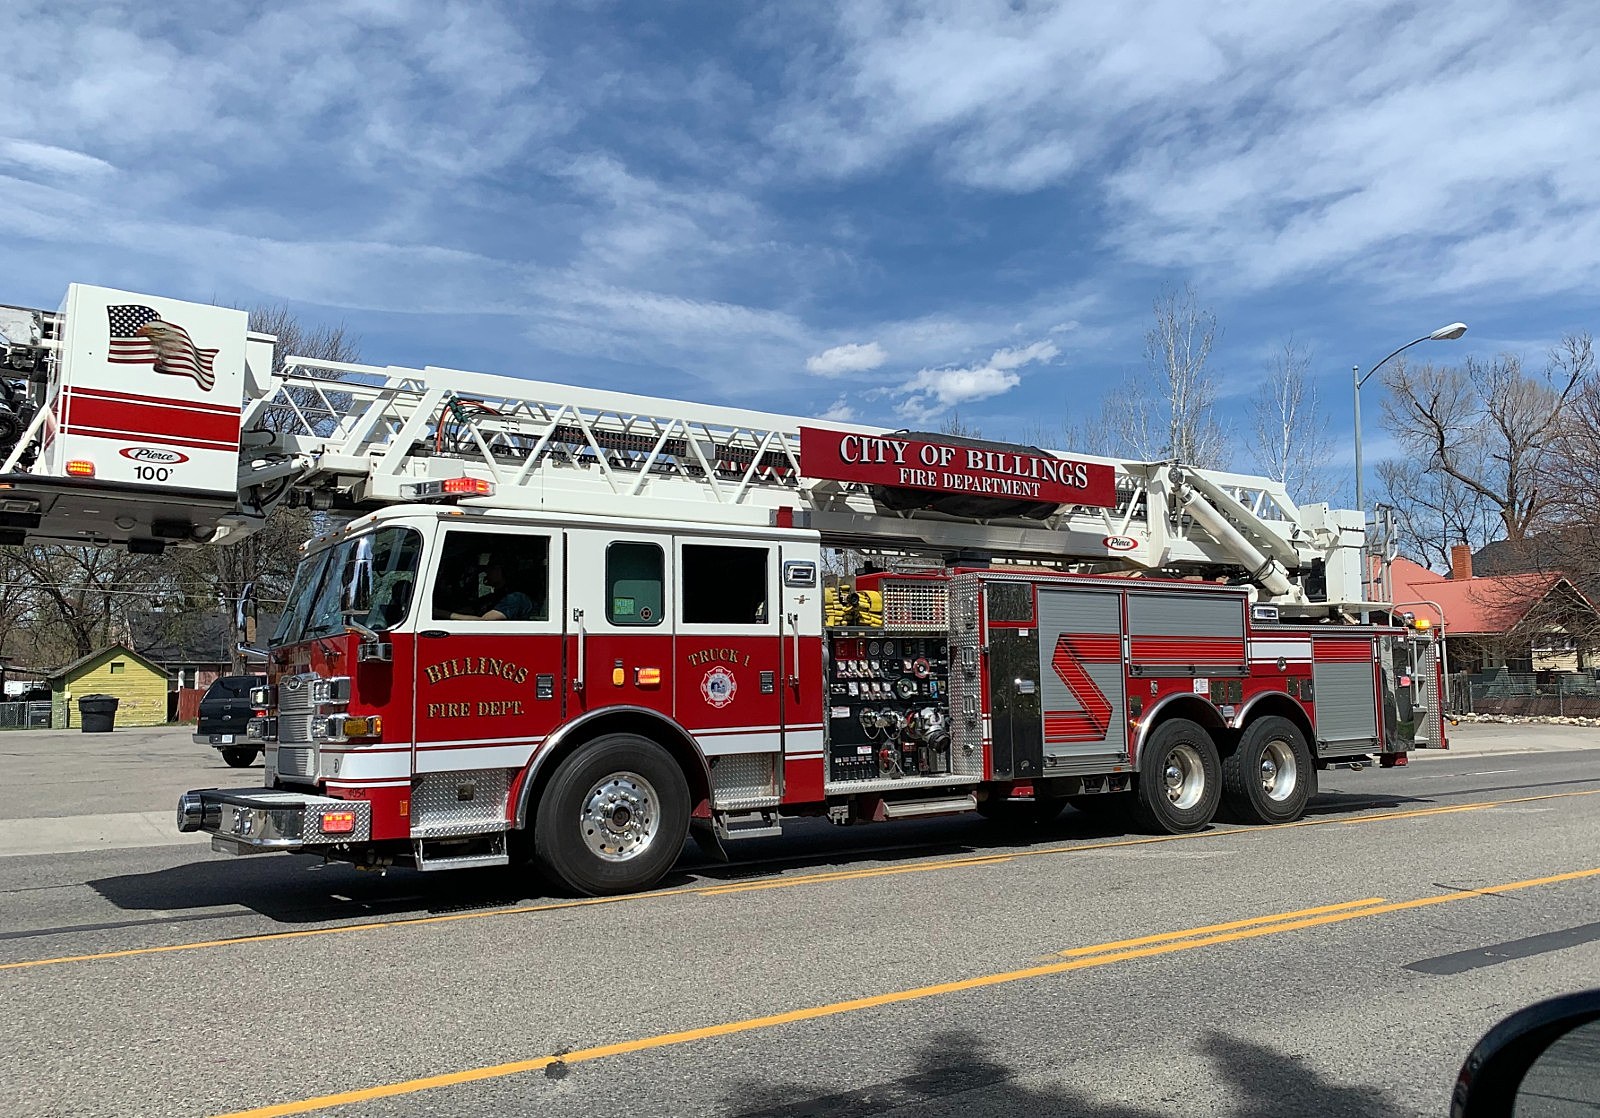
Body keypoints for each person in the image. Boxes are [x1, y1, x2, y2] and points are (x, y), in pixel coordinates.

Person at [448, 557, 532, 621]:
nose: (486, 572)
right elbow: (469, 609)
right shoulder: (491, 597)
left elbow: (484, 621)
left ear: (504, 571)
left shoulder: (515, 598)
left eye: (492, 568)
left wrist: (445, 614)